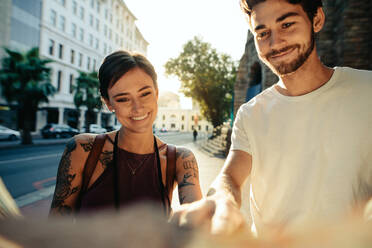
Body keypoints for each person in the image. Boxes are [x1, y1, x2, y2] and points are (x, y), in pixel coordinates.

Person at [171, 0, 372, 236]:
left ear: (317, 19)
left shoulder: (366, 90)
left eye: (287, 24)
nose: (275, 43)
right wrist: (221, 200)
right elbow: (230, 177)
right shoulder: (250, 114)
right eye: (262, 32)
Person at [49, 51, 202, 216]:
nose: (138, 108)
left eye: (145, 94)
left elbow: (197, 220)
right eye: (123, 99)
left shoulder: (180, 158)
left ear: (157, 93)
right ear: (108, 103)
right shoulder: (82, 149)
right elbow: (55, 228)